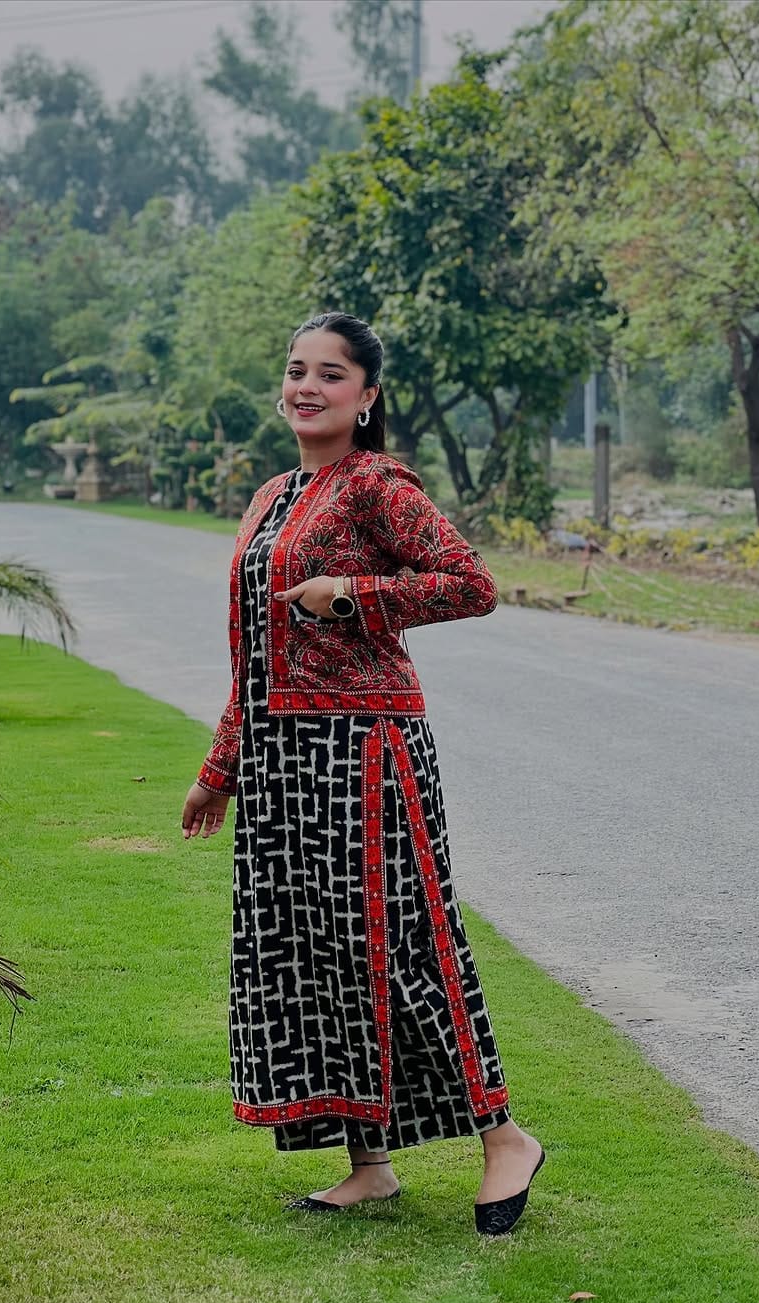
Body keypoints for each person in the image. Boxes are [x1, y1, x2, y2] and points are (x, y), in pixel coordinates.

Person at [181, 312, 544, 1236]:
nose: (308, 387)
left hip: (366, 751)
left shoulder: (378, 483)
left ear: (367, 396)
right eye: (297, 371)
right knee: (315, 955)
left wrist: (352, 595)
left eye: (331, 374)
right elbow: (252, 653)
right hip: (279, 758)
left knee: (404, 944)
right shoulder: (271, 496)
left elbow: (470, 583)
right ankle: (368, 1163)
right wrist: (220, 768)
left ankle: (504, 1135)